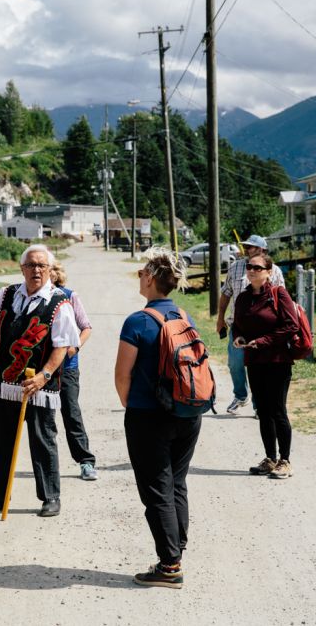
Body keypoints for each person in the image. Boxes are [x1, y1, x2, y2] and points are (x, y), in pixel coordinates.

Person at [0, 244, 80, 518]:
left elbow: (63, 345)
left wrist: (44, 376)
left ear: (49, 269)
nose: (36, 270)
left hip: (39, 387)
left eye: (42, 265)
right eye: (31, 265)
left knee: (43, 442)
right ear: (22, 268)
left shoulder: (59, 302)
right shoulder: (9, 294)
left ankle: (50, 497)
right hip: (6, 385)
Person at [114, 247, 201, 589]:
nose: (138, 277)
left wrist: (130, 406)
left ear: (150, 278)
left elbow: (123, 375)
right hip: (187, 412)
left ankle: (169, 566)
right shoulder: (183, 315)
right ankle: (175, 547)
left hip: (148, 416)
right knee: (176, 482)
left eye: (140, 273)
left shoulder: (138, 321)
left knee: (156, 489)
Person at [231, 253, 299, 480]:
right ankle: (270, 459)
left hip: (278, 361)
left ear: (269, 272)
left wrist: (262, 342)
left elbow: (291, 326)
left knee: (278, 410)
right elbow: (237, 325)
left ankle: (285, 461)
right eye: (249, 266)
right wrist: (239, 337)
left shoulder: (278, 294)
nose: (251, 270)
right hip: (254, 361)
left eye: (257, 267)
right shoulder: (242, 298)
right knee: (263, 412)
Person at [215, 235, 285, 415]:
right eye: (246, 246)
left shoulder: (274, 271)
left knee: (259, 367)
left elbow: (281, 298)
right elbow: (226, 293)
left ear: (262, 249)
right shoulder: (236, 267)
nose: (247, 249)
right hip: (238, 327)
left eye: (251, 247)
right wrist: (220, 317)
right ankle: (240, 395)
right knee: (235, 363)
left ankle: (258, 404)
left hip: (264, 329)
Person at [48, 263, 97, 481]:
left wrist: (75, 347)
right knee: (43, 419)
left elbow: (86, 326)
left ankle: (86, 462)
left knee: (71, 414)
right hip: (41, 369)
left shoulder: (69, 296)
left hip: (67, 368)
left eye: (45, 267)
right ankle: (48, 466)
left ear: (54, 273)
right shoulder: (32, 297)